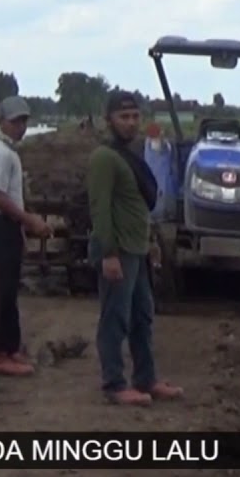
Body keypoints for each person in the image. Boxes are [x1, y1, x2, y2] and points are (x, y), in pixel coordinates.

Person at [87, 92, 184, 406]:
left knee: (143, 316)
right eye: (123, 117)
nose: (130, 123)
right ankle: (114, 384)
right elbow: (100, 209)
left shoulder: (130, 156)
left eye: (134, 117)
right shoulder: (104, 158)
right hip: (119, 250)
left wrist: (149, 242)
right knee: (115, 318)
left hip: (136, 249)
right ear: (109, 121)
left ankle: (146, 379)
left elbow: (137, 206)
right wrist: (109, 253)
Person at [0, 95, 53, 376]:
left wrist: (19, 230)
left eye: (24, 121)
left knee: (10, 290)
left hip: (6, 227)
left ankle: (11, 349)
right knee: (3, 291)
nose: (20, 127)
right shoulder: (2, 154)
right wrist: (30, 221)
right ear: (1, 122)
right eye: (15, 122)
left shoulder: (8, 153)